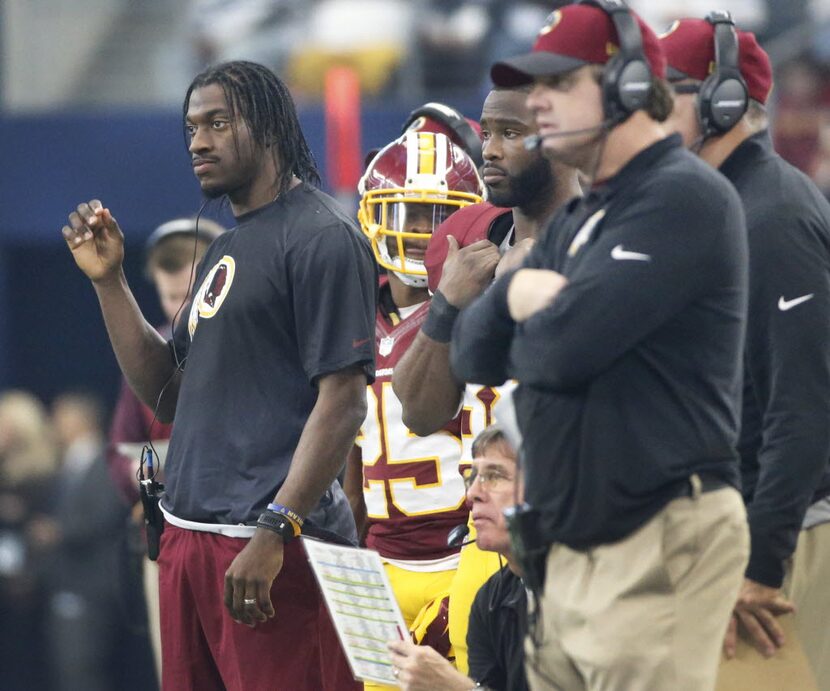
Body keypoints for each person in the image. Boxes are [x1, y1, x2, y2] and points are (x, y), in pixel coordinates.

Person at [451, 2, 750, 688]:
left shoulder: (684, 198)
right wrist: (521, 300)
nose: (539, 103)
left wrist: (522, 302)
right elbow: (473, 353)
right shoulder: (586, 214)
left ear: (627, 84)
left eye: (559, 83)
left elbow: (561, 353)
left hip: (655, 534)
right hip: (575, 547)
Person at [61, 60, 376, 691]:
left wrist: (275, 528)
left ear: (269, 127)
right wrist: (110, 283)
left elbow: (343, 402)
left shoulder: (324, 235)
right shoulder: (226, 249)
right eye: (191, 128)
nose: (198, 142)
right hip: (190, 540)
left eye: (218, 123)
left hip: (274, 547)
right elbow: (168, 395)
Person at [661, 16, 830, 686]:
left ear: (721, 100)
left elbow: (804, 410)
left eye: (660, 92)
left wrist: (759, 565)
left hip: (785, 545)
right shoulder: (721, 206)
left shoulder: (773, 215)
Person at [391, 82, 580, 675]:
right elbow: (420, 412)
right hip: (489, 542)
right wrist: (447, 306)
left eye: (512, 132)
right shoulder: (471, 243)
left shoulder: (602, 236)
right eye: (488, 131)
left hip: (582, 527)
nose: (490, 149)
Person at [344, 130, 485, 690]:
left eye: (437, 217)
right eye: (407, 212)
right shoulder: (350, 313)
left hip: (461, 557)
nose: (420, 231)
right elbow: (349, 470)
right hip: (378, 564)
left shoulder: (474, 310)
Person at [106, 215, 225, 683]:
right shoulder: (149, 352)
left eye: (189, 296)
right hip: (166, 544)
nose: (179, 310)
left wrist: (165, 458)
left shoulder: (259, 342)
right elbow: (118, 456)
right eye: (170, 297)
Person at [388, 424, 529, 691]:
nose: (471, 494)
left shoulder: (591, 592)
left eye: (495, 476)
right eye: (472, 478)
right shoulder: (491, 599)